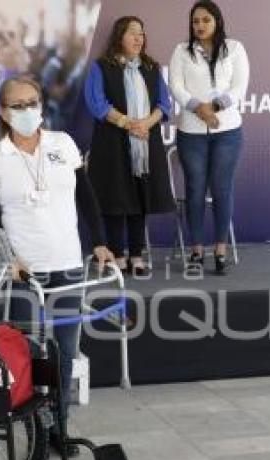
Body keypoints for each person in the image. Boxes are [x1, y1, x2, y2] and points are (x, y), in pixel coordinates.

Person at [0, 77, 115, 457]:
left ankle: (58, 426)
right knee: (28, 354)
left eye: (32, 103)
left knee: (64, 353)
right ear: (3, 112)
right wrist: (8, 258)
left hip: (68, 266)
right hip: (24, 273)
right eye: (17, 105)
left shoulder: (63, 144)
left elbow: (86, 196)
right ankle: (35, 432)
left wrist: (102, 241)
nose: (27, 111)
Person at [84, 16, 174, 277]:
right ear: (119, 36)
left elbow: (164, 104)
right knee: (115, 200)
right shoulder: (102, 67)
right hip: (112, 142)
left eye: (142, 34)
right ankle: (117, 255)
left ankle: (136, 254)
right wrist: (129, 123)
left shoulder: (151, 68)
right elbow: (97, 103)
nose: (139, 38)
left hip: (146, 142)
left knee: (140, 200)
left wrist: (145, 123)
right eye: (133, 33)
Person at [169, 0, 250, 275]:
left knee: (221, 187)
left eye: (206, 20)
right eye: (195, 21)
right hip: (191, 132)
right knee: (195, 188)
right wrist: (198, 108)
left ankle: (220, 250)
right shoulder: (181, 51)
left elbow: (239, 87)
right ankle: (196, 250)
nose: (200, 25)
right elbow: (176, 86)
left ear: (217, 21)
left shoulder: (235, 48)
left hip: (227, 130)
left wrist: (214, 108)